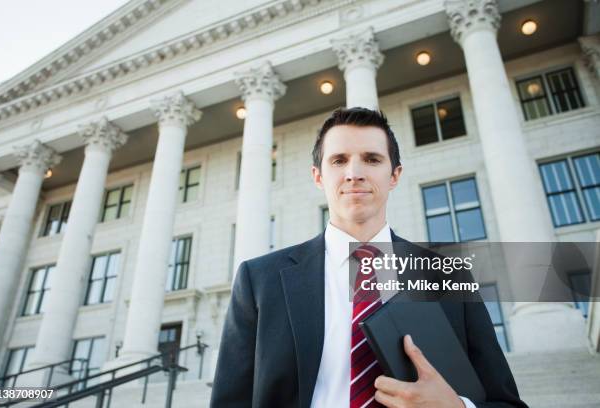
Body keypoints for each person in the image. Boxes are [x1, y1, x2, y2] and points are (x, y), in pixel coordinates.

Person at [210, 107, 527, 408]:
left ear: (394, 175)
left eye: (372, 159)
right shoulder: (260, 280)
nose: (354, 173)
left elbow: (507, 402)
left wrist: (456, 406)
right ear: (318, 176)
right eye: (338, 161)